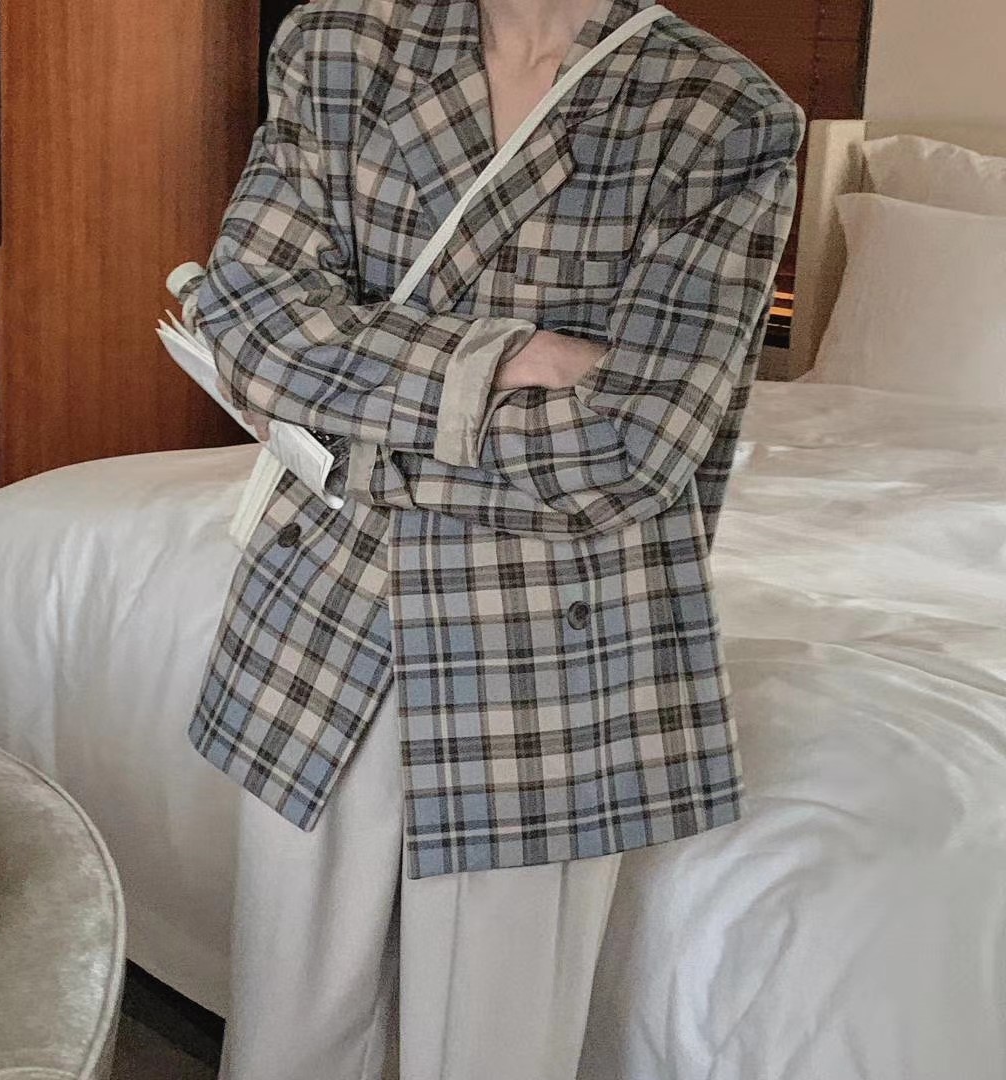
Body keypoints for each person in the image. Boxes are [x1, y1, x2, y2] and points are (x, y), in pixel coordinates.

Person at [181, 0, 806, 1076]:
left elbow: (631, 448)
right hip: (320, 608)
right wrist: (497, 361)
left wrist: (347, 440)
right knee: (287, 1033)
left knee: (491, 1047)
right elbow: (248, 321)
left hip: (548, 653)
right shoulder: (340, 42)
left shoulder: (721, 111)